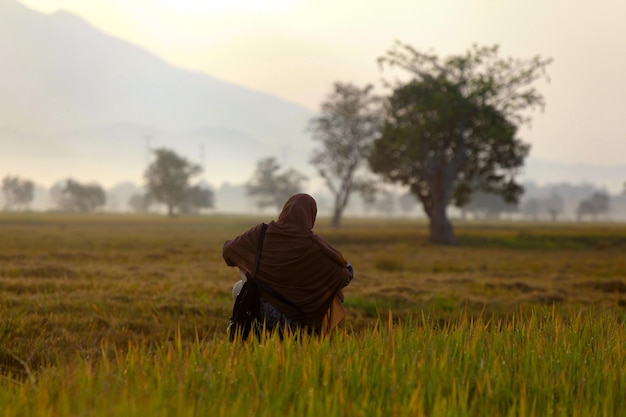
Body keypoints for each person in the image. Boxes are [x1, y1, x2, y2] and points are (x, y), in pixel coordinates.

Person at [222, 193, 354, 336]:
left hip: (259, 312)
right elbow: (344, 277)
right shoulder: (315, 247)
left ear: (284, 211)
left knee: (240, 287)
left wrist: (250, 263)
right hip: (299, 323)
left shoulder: (261, 233)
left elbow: (228, 252)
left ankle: (250, 334)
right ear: (311, 216)